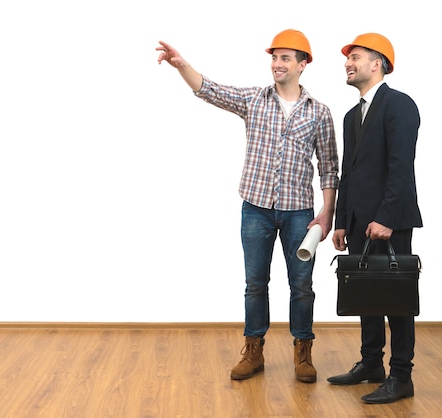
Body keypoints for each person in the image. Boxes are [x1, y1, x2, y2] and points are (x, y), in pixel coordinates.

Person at [156, 30, 339, 383]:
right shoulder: (255, 99)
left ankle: (303, 351)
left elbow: (330, 167)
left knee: (301, 285)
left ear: (303, 65)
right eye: (274, 57)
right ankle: (253, 350)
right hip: (255, 208)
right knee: (255, 283)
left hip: (299, 212)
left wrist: (326, 213)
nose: (277, 64)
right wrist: (181, 65)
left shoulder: (319, 113)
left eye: (285, 58)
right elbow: (210, 90)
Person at [327, 33, 422, 404]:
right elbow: (348, 173)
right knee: (366, 294)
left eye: (356, 57)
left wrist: (386, 217)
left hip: (390, 220)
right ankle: (371, 364)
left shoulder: (399, 105)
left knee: (396, 297)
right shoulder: (353, 115)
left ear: (377, 63)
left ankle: (401, 376)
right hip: (358, 221)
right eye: (347, 59)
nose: (349, 63)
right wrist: (340, 221)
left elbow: (401, 168)